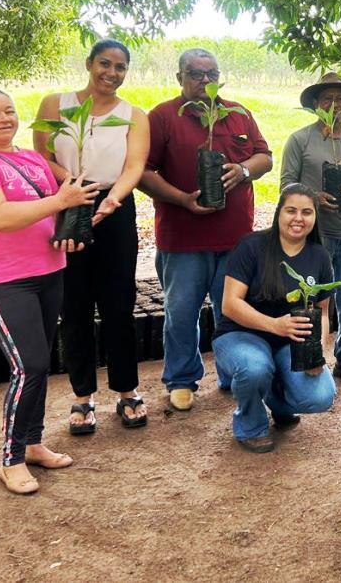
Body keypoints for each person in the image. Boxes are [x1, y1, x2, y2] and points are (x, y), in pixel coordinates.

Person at [0, 89, 98, 494]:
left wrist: (73, 225)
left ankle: (32, 443)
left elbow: (56, 207)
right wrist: (58, 202)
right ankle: (10, 459)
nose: (4, 119)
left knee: (40, 362)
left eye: (10, 111)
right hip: (4, 280)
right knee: (27, 365)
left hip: (49, 271)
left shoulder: (31, 159)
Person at [140, 48, 273, 412]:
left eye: (211, 74)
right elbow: (143, 172)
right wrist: (182, 199)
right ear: (179, 77)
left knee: (233, 311)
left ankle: (233, 371)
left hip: (236, 239)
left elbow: (265, 157)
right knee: (181, 311)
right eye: (195, 74)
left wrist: (243, 170)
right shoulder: (163, 117)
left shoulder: (238, 113)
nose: (204, 81)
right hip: (182, 239)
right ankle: (182, 379)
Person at [33, 39, 151, 433]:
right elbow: (42, 157)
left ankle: (126, 391)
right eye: (105, 63)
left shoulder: (133, 114)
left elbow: (134, 166)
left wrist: (112, 199)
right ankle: (82, 398)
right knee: (75, 305)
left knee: (120, 304)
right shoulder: (55, 105)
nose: (112, 73)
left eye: (120, 67)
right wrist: (73, 186)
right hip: (67, 200)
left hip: (114, 207)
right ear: (89, 63)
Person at [212, 184, 337, 452]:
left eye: (307, 212)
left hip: (291, 341)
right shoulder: (252, 246)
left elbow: (324, 311)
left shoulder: (319, 255)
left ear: (315, 217)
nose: (298, 219)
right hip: (240, 333)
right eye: (291, 210)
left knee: (321, 397)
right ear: (279, 212)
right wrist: (275, 325)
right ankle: (250, 425)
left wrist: (318, 352)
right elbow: (230, 304)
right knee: (254, 367)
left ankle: (276, 398)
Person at [281, 72, 341, 386]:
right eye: (327, 98)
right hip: (313, 236)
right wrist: (312, 197)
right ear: (315, 104)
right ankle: (307, 359)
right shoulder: (300, 140)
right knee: (309, 302)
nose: (334, 105)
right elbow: (285, 185)